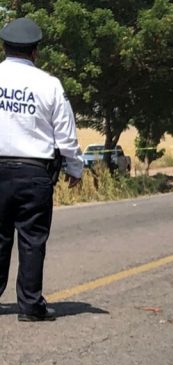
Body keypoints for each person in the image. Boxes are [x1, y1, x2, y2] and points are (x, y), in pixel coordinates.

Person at [0, 17, 84, 322]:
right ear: (35, 51)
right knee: (32, 240)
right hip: (34, 173)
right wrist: (75, 167)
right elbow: (65, 133)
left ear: (3, 47)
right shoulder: (49, 84)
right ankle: (30, 306)